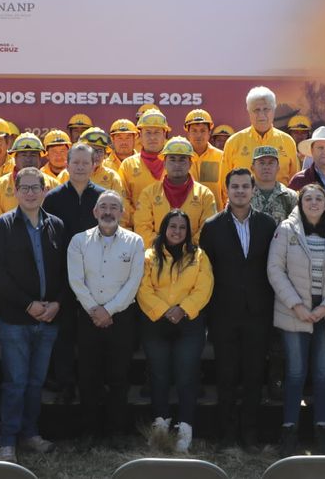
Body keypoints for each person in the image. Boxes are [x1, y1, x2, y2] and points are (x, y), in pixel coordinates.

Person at [0, 168, 67, 462]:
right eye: (25, 188)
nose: (31, 193)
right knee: (15, 382)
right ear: (16, 191)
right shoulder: (2, 226)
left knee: (36, 383)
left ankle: (30, 434)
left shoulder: (56, 225)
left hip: (49, 319)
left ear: (45, 190)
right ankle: (7, 441)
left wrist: (56, 303)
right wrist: (27, 304)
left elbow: (64, 272)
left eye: (36, 188)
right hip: (16, 320)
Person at [269, 184, 325, 456]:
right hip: (294, 312)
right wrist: (296, 305)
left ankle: (322, 430)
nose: (314, 203)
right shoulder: (286, 230)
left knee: (323, 374)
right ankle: (289, 430)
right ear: (300, 202)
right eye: (308, 198)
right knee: (295, 373)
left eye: (319, 198)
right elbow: (275, 269)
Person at [199, 168, 278, 449]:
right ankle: (227, 433)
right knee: (226, 376)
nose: (241, 191)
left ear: (254, 190)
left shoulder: (268, 225)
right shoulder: (212, 226)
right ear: (227, 190)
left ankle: (250, 433)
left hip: (258, 314)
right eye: (235, 186)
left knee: (255, 375)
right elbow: (204, 272)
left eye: (246, 186)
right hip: (224, 315)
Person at [64, 191, 145, 442]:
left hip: (121, 319)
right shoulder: (79, 241)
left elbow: (134, 282)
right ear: (95, 212)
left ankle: (116, 431)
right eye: (103, 207)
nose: (108, 211)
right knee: (88, 376)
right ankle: (89, 430)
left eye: (114, 207)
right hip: (88, 317)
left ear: (122, 213)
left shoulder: (135, 242)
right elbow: (75, 280)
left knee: (119, 377)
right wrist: (95, 310)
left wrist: (108, 311)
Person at [137, 209, 214, 453]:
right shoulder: (149, 256)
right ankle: (160, 422)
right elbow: (143, 288)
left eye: (182, 227)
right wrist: (164, 310)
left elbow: (204, 287)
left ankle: (185, 425)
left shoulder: (199, 256)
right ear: (164, 228)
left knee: (186, 375)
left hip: (189, 322)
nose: (177, 231)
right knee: (159, 375)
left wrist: (183, 309)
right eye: (173, 226)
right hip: (156, 321)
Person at [43, 144, 107, 406]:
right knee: (64, 334)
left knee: (94, 333)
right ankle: (65, 385)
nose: (80, 167)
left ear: (94, 165)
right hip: (64, 276)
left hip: (97, 276)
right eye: (75, 162)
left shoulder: (103, 198)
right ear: (67, 165)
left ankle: (95, 386)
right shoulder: (54, 198)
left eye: (85, 162)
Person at [134, 137, 218, 243]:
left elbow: (208, 230)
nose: (177, 164)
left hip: (195, 257)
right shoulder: (148, 193)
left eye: (182, 159)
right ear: (164, 163)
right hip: (156, 256)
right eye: (172, 159)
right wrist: (163, 250)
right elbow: (142, 228)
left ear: (190, 164)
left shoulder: (205, 195)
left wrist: (187, 250)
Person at [0, 134, 64, 241]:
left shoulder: (54, 184)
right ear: (15, 157)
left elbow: (59, 222)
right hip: (11, 247)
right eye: (23, 155)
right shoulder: (0, 185)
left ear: (39, 158)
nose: (28, 159)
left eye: (33, 155)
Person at [225, 87, 300, 183]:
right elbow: (225, 185)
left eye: (266, 109)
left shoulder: (287, 141)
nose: (261, 114)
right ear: (248, 111)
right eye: (256, 110)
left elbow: (294, 183)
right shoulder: (234, 142)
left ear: (273, 110)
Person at [118, 110, 173, 218]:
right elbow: (123, 202)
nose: (152, 137)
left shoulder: (177, 162)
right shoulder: (128, 165)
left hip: (172, 231)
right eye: (148, 132)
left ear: (164, 134)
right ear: (140, 135)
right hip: (136, 230)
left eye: (157, 132)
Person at [183, 109, 230, 200]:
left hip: (215, 212)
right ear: (188, 133)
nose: (198, 135)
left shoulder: (221, 157)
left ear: (209, 133)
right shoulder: (181, 157)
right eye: (194, 131)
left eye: (203, 130)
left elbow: (226, 190)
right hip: (186, 213)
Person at [62, 128, 125, 194]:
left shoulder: (112, 177)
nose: (96, 155)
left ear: (105, 154)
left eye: (100, 151)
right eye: (92, 150)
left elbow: (120, 202)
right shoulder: (67, 174)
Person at [249, 146, 300, 221]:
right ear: (252, 167)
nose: (266, 167)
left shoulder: (290, 197)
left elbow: (297, 226)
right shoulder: (243, 195)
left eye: (271, 163)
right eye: (261, 163)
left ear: (278, 168)